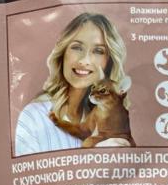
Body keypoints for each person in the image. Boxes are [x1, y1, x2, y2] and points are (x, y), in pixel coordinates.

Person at [14, 12, 132, 155]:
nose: (84, 60)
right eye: (77, 47)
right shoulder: (35, 117)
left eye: (98, 51)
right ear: (63, 53)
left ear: (109, 62)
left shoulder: (111, 119)